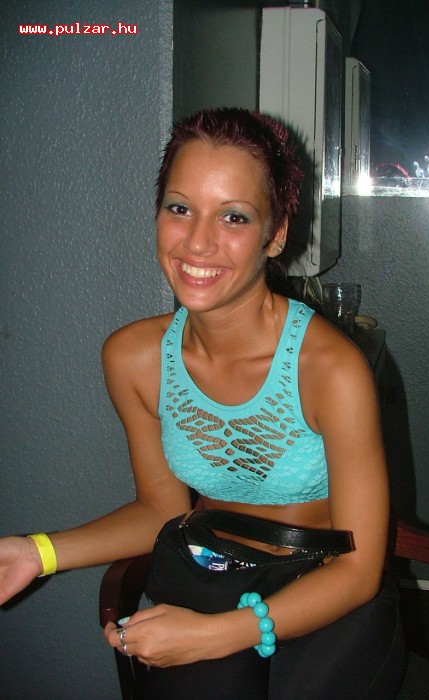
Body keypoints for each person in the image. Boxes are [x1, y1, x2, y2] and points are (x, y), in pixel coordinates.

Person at [0, 108, 405, 699]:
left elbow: (360, 568)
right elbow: (159, 511)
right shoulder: (134, 358)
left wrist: (217, 636)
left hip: (329, 588)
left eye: (234, 216)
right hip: (211, 568)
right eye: (180, 208)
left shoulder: (329, 369)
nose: (197, 241)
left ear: (276, 233)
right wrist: (36, 553)